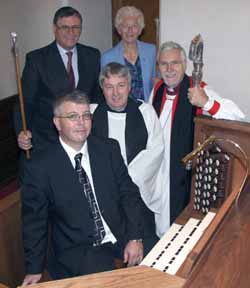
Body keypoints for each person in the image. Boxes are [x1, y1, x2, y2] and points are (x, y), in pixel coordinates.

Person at [21, 90, 144, 286]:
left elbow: (129, 194)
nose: (81, 122)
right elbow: (35, 221)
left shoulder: (108, 149)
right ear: (57, 123)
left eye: (86, 115)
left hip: (120, 233)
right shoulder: (40, 166)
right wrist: (34, 269)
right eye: (72, 116)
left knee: (166, 265)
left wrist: (135, 237)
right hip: (80, 248)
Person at [149, 41, 245, 235]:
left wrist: (207, 103)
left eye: (175, 63)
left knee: (182, 226)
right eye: (163, 64)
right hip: (160, 171)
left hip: (186, 174)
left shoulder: (197, 88)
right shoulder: (158, 88)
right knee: (159, 223)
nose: (169, 69)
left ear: (185, 65)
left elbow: (238, 117)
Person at [90, 62, 164, 247]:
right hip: (104, 196)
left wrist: (125, 179)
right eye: (109, 87)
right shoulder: (91, 113)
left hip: (138, 192)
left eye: (121, 85)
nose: (115, 93)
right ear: (102, 89)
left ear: (129, 86)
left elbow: (155, 150)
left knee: (146, 249)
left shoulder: (145, 112)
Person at [14, 6, 102, 157]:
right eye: (65, 27)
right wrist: (22, 131)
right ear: (55, 29)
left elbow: (96, 97)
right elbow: (25, 102)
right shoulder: (37, 59)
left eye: (75, 27)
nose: (71, 32)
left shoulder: (92, 55)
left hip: (84, 136)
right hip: (47, 138)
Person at [101, 6, 156, 102]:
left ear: (140, 30)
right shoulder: (107, 57)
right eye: (125, 26)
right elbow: (106, 89)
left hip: (147, 109)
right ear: (119, 30)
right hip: (121, 110)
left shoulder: (151, 51)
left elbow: (157, 82)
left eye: (134, 26)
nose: (130, 30)